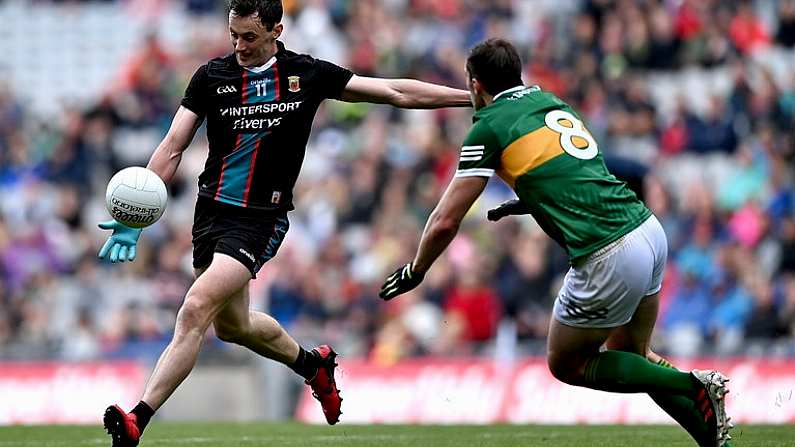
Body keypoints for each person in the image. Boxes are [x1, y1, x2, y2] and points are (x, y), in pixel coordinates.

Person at [98, 1, 471, 445]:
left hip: (260, 219)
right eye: (233, 34)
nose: (239, 46)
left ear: (277, 29)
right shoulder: (210, 78)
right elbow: (173, 146)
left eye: (249, 37)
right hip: (210, 215)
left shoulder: (306, 74)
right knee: (231, 327)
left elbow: (394, 91)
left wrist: (471, 97)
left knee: (195, 307)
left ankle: (138, 418)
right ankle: (313, 365)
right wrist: (135, 218)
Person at [379, 38, 734, 447]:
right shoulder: (550, 102)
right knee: (632, 355)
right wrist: (529, 202)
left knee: (567, 363)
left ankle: (693, 384)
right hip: (646, 230)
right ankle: (715, 440)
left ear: (475, 85)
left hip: (608, 251)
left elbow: (444, 221)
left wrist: (416, 269)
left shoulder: (488, 126)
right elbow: (576, 173)